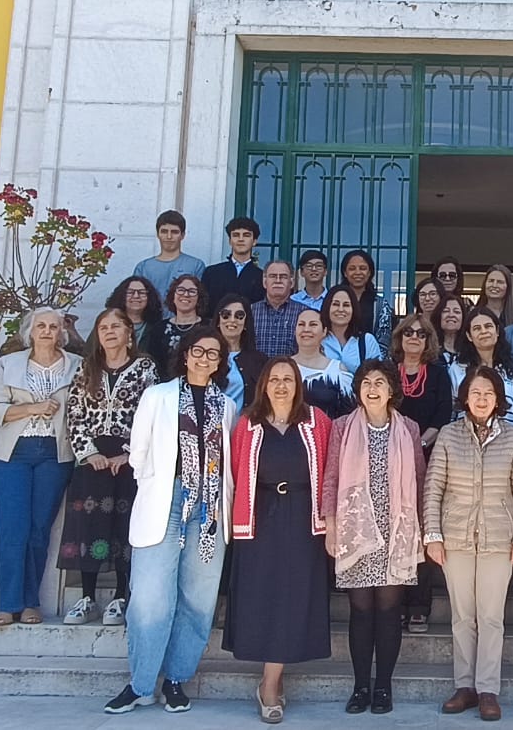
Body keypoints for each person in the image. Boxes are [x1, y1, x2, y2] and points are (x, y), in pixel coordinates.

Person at [105, 329, 237, 715]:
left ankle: (176, 679)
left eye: (213, 354)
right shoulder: (158, 396)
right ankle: (141, 683)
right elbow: (138, 455)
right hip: (167, 501)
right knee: (149, 599)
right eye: (198, 351)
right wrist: (167, 488)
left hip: (209, 510)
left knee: (197, 600)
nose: (205, 358)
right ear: (185, 354)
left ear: (219, 361)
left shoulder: (226, 406)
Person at [225, 357, 334, 724]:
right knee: (266, 598)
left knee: (293, 597)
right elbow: (235, 474)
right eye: (275, 380)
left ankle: (270, 682)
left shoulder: (317, 422)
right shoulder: (247, 424)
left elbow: (331, 471)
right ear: (264, 386)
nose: (282, 386)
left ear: (298, 384)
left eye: (289, 379)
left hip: (305, 520)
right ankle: (271, 682)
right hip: (261, 520)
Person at [424, 368, 513, 723]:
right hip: (454, 537)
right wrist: (433, 534)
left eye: (488, 393)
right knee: (462, 617)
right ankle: (464, 686)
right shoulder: (448, 435)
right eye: (475, 392)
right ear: (465, 397)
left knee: (491, 617)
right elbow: (433, 487)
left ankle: (488, 689)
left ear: (498, 398)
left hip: (499, 538)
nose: (482, 399)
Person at [324, 362, 426, 715]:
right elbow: (331, 479)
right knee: (360, 610)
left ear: (391, 390)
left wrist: (422, 530)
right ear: (358, 390)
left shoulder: (408, 428)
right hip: (357, 530)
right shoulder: (342, 428)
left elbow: (420, 479)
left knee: (388, 610)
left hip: (395, 529)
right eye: (366, 382)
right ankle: (360, 687)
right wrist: (332, 525)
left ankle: (383, 686)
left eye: (379, 382)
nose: (372, 389)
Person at [59, 308, 157, 627]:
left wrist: (129, 454)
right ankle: (87, 598)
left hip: (128, 461)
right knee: (90, 526)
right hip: (92, 461)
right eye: (103, 327)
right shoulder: (87, 368)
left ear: (130, 332)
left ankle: (120, 597)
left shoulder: (145, 368)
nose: (109, 332)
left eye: (116, 326)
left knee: (124, 527)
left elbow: (151, 415)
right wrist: (88, 453)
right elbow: (74, 414)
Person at [0, 307, 80, 627]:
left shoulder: (76, 366)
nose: (47, 331)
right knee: (12, 528)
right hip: (13, 452)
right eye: (40, 325)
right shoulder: (8, 364)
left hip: (55, 452)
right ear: (29, 331)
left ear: (61, 333)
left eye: (53, 326)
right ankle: (7, 603)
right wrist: (33, 408)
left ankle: (30, 603)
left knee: (39, 530)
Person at [390, 312, 453, 634]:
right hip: (389, 459)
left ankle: (419, 605)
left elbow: (444, 412)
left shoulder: (439, 374)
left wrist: (418, 441)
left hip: (429, 457)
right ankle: (395, 602)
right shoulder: (388, 373)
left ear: (429, 341)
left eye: (421, 334)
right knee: (395, 530)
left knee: (423, 528)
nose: (414, 337)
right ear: (400, 338)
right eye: (408, 332)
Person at [450, 305, 513, 442]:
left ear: (497, 331)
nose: (484, 331)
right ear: (469, 336)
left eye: (488, 326)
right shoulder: (457, 369)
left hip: (510, 450)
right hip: (466, 449)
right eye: (477, 328)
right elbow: (450, 415)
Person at [292, 305, 356, 418]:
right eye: (301, 324)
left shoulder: (338, 371)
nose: (306, 329)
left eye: (313, 324)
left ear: (324, 331)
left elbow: (349, 416)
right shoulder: (282, 368)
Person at [106, 275, 170, 370]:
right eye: (130, 292)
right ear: (121, 296)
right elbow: (91, 353)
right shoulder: (107, 323)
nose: (136, 296)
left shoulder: (158, 328)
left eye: (142, 293)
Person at [135, 209, 206, 296]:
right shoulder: (143, 267)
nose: (169, 237)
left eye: (174, 232)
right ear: (158, 234)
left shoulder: (196, 266)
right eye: (164, 232)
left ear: (183, 235)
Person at [213, 294, 267, 406]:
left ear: (246, 322)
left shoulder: (259, 360)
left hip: (245, 422)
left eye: (239, 315)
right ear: (218, 320)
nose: (232, 320)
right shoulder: (206, 357)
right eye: (226, 315)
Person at [338, 249, 395, 352]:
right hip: (337, 361)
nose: (358, 272)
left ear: (369, 273)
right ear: (345, 273)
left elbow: (384, 340)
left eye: (363, 268)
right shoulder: (335, 302)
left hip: (371, 362)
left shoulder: (380, 304)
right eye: (352, 268)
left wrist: (373, 364)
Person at [201, 216, 265, 306]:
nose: (241, 239)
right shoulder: (211, 273)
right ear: (230, 241)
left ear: (254, 241)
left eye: (246, 235)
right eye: (236, 235)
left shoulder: (261, 277)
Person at [322, 286, 385, 374]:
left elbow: (377, 375)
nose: (341, 309)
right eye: (335, 304)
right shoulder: (318, 340)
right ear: (327, 307)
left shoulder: (367, 341)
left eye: (346, 305)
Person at [250, 260, 301, 357]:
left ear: (292, 282)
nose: (278, 280)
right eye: (273, 276)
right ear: (265, 282)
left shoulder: (303, 313)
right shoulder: (250, 311)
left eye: (283, 276)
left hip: (291, 371)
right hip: (256, 371)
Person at [161, 274, 208, 367]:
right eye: (181, 290)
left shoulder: (209, 326)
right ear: (172, 296)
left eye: (192, 291)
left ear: (199, 298)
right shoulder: (159, 328)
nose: (186, 295)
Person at [436, 297, 468, 366]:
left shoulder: (471, 349)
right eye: (445, 311)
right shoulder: (430, 348)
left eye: (457, 312)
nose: (451, 315)